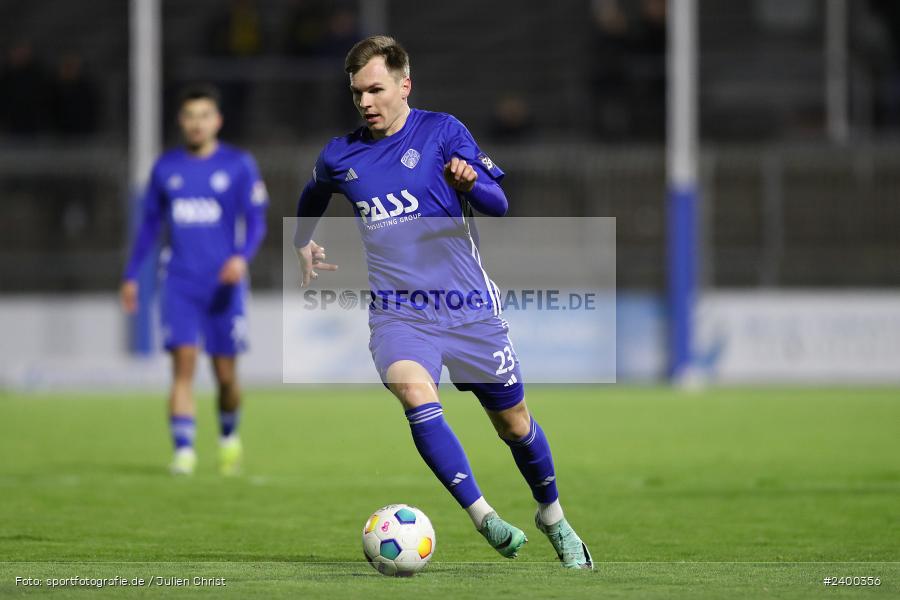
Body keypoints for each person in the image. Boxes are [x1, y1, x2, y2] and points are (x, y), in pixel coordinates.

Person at [293, 36, 592, 569]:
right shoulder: (341, 155)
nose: (365, 102)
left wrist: (471, 182)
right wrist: (303, 240)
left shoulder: (443, 132)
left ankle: (553, 516)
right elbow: (314, 191)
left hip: (469, 309)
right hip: (399, 314)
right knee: (413, 390)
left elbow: (500, 206)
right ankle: (484, 517)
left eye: (376, 89)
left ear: (404, 85)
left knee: (514, 424)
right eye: (357, 92)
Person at [120, 85, 269, 476]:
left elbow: (256, 221)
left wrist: (241, 258)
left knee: (225, 376)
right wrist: (132, 274)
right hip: (180, 282)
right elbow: (150, 226)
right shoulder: (166, 168)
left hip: (224, 285)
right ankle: (183, 452)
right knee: (182, 366)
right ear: (181, 121)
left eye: (204, 115)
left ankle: (228, 437)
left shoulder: (238, 165)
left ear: (217, 120)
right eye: (190, 116)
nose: (196, 123)